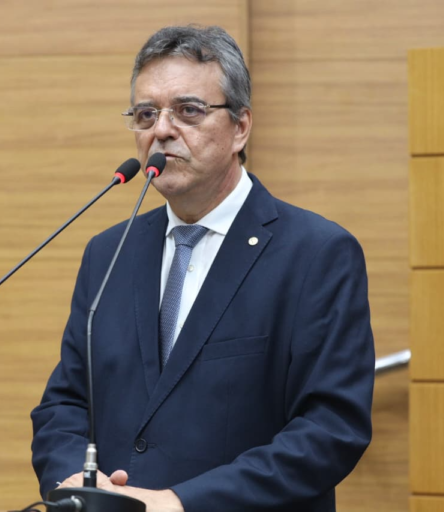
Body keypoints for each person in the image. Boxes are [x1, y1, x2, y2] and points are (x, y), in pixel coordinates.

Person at [31, 25, 375, 512]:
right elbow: (63, 404)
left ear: (240, 127)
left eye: (188, 110)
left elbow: (330, 429)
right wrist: (75, 483)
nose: (161, 130)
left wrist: (180, 502)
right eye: (145, 114)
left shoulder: (317, 254)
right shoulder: (109, 252)